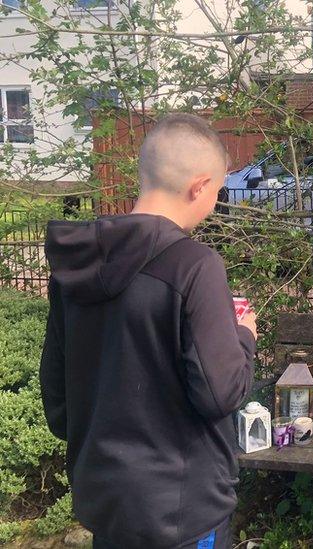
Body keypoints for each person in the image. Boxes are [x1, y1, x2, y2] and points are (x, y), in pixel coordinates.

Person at [40, 113, 256, 549]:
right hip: (181, 510)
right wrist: (243, 336)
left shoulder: (77, 266)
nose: (215, 201)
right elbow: (222, 394)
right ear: (198, 186)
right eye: (217, 190)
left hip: (106, 503)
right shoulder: (195, 266)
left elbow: (58, 404)